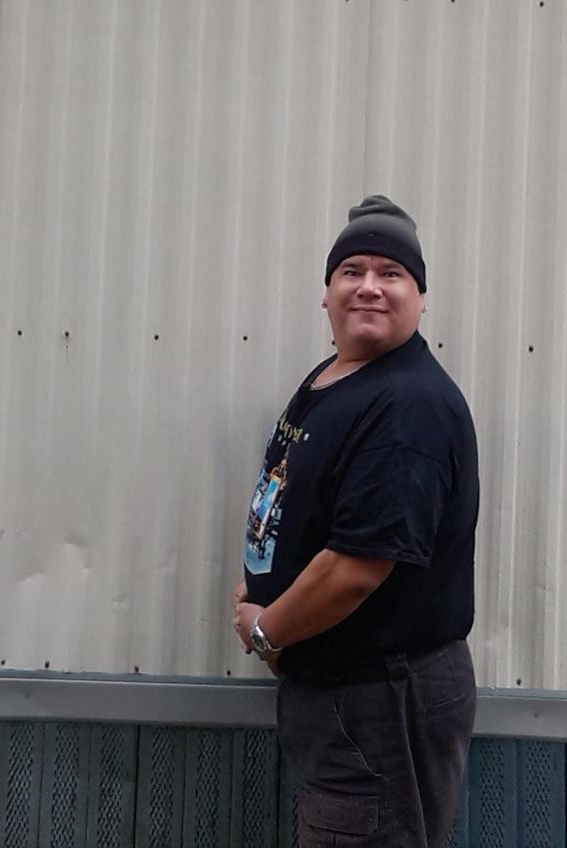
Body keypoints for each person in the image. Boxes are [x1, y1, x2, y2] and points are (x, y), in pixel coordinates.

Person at [232, 195, 478, 848]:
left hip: (379, 699)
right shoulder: (338, 376)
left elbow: (355, 571)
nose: (369, 286)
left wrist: (268, 630)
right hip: (342, 691)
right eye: (352, 271)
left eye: (391, 273)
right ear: (327, 293)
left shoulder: (407, 406)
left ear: (420, 298)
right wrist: (263, 584)